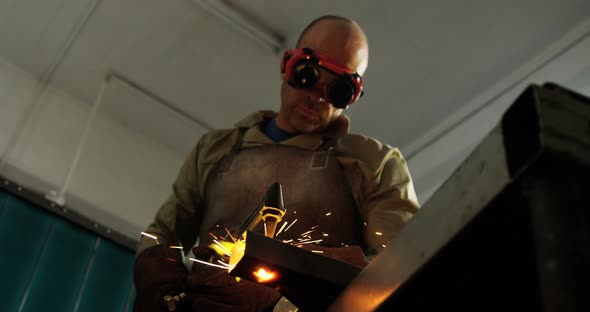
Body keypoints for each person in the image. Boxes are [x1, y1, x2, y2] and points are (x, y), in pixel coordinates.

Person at [133, 15, 420, 312]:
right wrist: (163, 290)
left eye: (338, 90)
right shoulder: (215, 150)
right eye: (307, 75)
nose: (316, 99)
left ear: (353, 96)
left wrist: (288, 294)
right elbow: (160, 236)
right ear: (287, 64)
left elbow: (398, 267)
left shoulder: (374, 163)